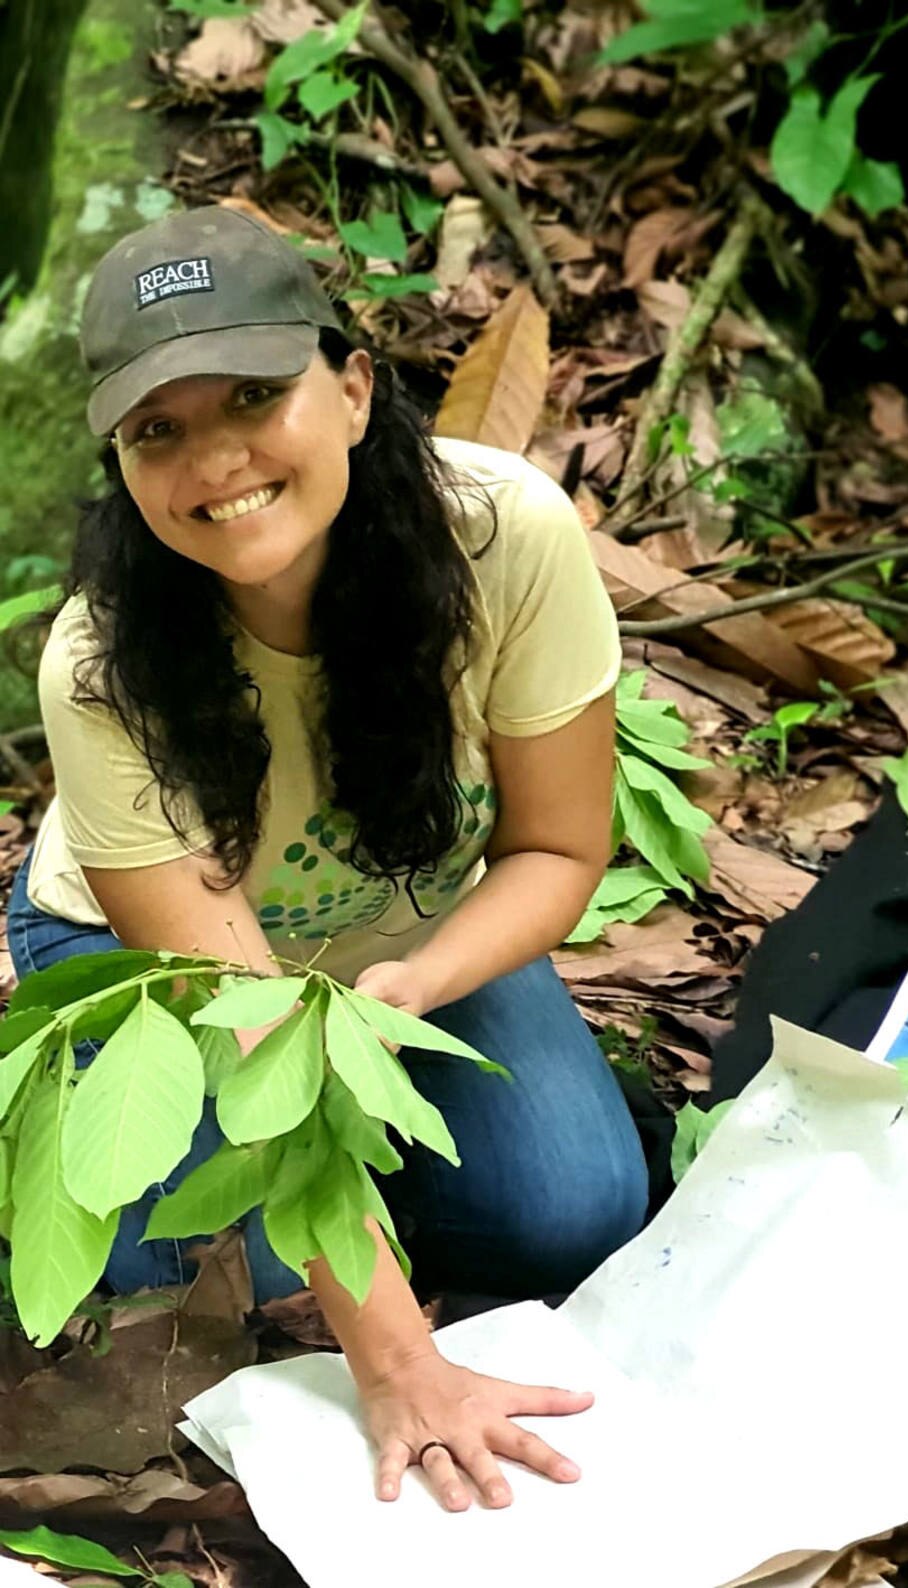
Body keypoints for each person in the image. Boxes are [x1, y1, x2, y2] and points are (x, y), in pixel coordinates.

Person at [5, 204, 648, 1512]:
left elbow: (559, 846)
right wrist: (405, 1366)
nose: (216, 460)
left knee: (575, 1210)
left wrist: (418, 984)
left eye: (255, 394)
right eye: (159, 430)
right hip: (178, 975)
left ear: (352, 387)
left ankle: (366, 1192)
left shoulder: (504, 537)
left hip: (407, 938)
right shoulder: (98, 662)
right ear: (122, 462)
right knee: (161, 1267)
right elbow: (250, 1024)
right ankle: (340, 1212)